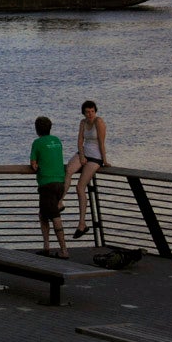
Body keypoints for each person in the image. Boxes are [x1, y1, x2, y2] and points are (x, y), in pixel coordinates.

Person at [65, 100, 108, 239]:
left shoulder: (99, 122)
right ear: (83, 112)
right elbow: (79, 141)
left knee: (80, 187)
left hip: (95, 157)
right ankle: (60, 201)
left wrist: (105, 161)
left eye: (92, 111)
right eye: (87, 112)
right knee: (68, 171)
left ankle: (82, 224)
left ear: (95, 111)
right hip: (84, 153)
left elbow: (101, 142)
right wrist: (82, 156)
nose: (90, 114)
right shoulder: (83, 123)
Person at [30, 116, 68, 258]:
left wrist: (36, 165)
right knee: (43, 214)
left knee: (54, 216)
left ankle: (64, 250)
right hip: (60, 182)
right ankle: (46, 246)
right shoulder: (57, 141)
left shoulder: (37, 143)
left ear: (37, 129)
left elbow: (34, 164)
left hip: (47, 184)